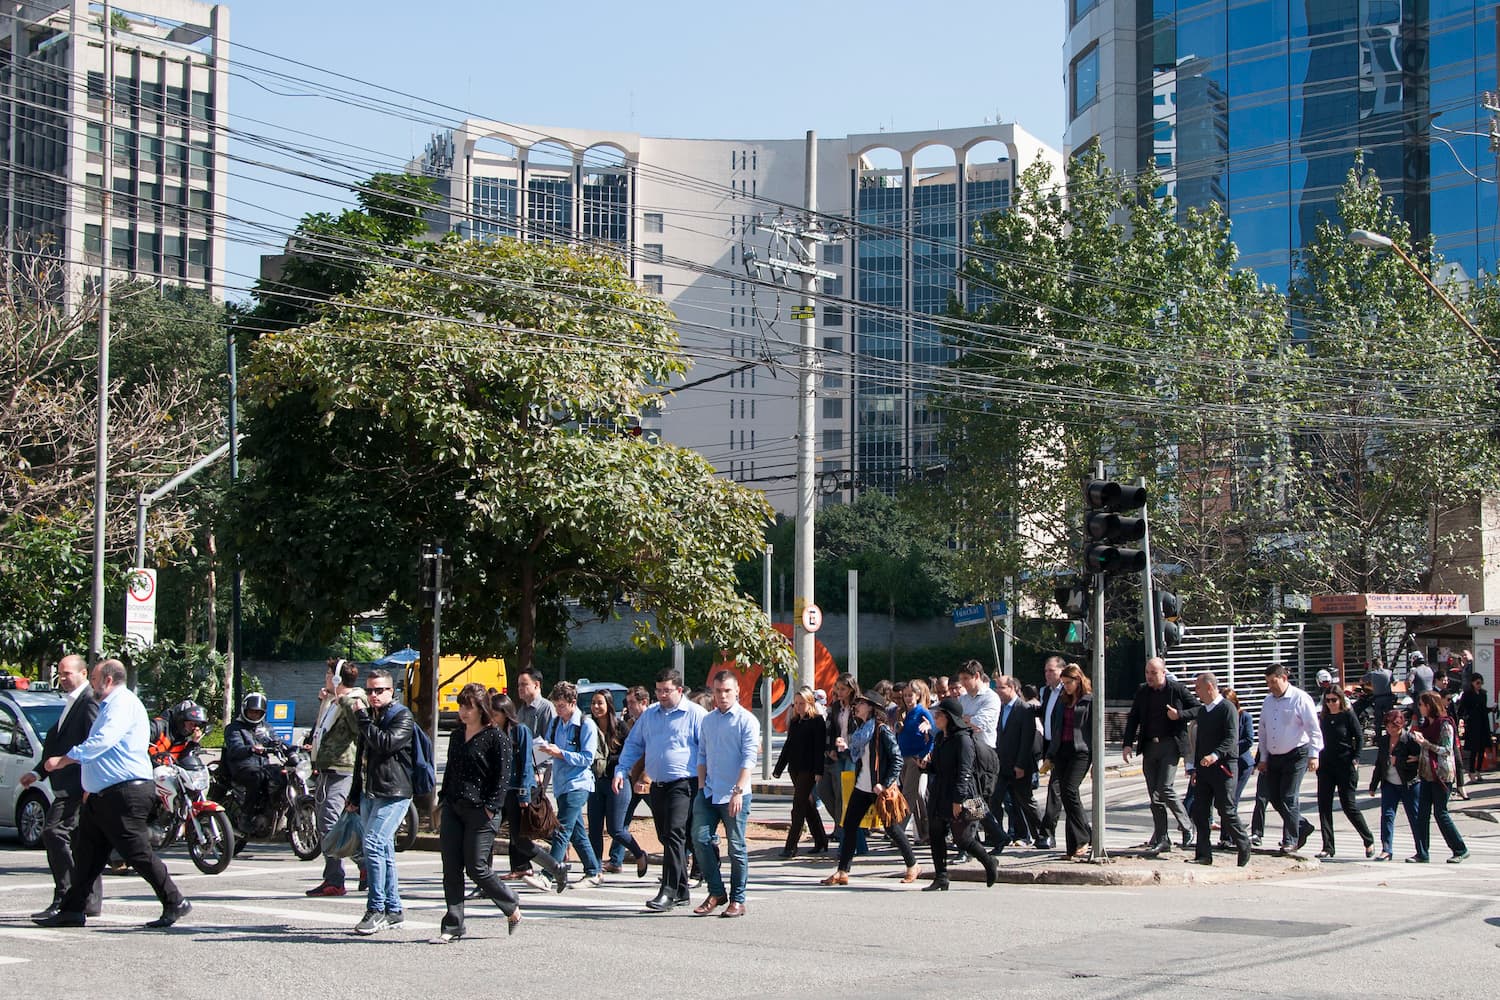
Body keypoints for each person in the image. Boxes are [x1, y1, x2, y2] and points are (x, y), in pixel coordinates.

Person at [34, 659, 191, 929]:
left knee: (137, 853)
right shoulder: (110, 705)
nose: (91, 684)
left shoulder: (122, 704)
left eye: (94, 679)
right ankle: (73, 910)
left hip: (125, 792)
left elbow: (102, 742)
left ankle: (174, 900)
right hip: (104, 794)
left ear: (107, 680)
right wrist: (89, 788)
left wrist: (63, 760)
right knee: (87, 854)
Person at [434, 683, 521, 943]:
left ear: (481, 708)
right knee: (451, 867)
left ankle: (510, 903)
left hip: (481, 811)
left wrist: (490, 808)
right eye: (461, 705)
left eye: (468, 706)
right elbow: (450, 770)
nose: (462, 712)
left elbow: (502, 778)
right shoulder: (456, 736)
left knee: (477, 867)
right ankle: (453, 924)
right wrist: (442, 800)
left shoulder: (497, 738)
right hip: (454, 806)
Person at [615, 668, 707, 911]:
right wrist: (621, 770)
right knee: (666, 836)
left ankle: (667, 891)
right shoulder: (650, 715)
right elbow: (634, 744)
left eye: (667, 690)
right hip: (658, 784)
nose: (662, 695)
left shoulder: (695, 714)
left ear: (679, 689)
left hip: (685, 784)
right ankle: (682, 890)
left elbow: (707, 750)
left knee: (675, 834)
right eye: (658, 690)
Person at [21, 654, 101, 920]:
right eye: (61, 673)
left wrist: (93, 783)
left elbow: (93, 745)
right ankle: (87, 900)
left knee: (54, 832)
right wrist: (38, 771)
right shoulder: (71, 702)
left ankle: (67, 896)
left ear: (84, 673)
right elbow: (57, 745)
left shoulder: (89, 701)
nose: (63, 678)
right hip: (69, 783)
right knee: (81, 842)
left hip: (78, 786)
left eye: (68, 673)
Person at [819, 692, 920, 885]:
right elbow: (861, 758)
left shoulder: (881, 730)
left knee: (891, 828)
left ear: (872, 708)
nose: (856, 706)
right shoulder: (862, 729)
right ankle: (842, 871)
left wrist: (885, 782)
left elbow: (896, 759)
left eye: (861, 703)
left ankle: (912, 865)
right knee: (849, 826)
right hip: (861, 786)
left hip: (877, 788)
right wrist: (846, 749)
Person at [349, 668, 415, 935]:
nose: (373, 695)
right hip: (370, 791)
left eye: (379, 690)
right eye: (370, 691)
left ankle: (375, 908)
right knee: (383, 850)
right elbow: (361, 757)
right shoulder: (373, 717)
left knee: (373, 845)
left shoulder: (402, 716)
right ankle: (393, 910)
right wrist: (354, 794)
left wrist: (363, 720)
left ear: (391, 691)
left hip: (394, 792)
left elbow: (385, 744)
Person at [690, 670, 760, 917]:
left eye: (727, 691)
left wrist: (738, 791)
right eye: (718, 691)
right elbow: (702, 755)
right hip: (709, 791)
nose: (722, 696)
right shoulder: (707, 721)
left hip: (735, 794)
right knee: (699, 839)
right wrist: (701, 786)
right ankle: (716, 892)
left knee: (736, 847)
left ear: (737, 691)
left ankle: (738, 900)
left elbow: (749, 758)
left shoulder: (747, 720)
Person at [490, 695, 569, 893]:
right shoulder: (493, 732)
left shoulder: (520, 731)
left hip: (518, 791)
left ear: (505, 713)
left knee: (521, 842)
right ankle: (486, 884)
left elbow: (526, 763)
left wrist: (524, 795)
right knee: (487, 834)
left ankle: (555, 867)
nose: (492, 717)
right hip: (500, 792)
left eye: (495, 714)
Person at [1120, 656, 1199, 854]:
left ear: (1163, 672)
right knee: (1154, 797)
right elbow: (1134, 718)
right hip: (1149, 746)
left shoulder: (1176, 689)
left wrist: (1179, 715)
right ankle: (1162, 838)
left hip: (1170, 745)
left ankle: (1187, 825)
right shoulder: (1142, 691)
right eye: (1147, 672)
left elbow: (1198, 708)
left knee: (1165, 787)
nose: (1150, 677)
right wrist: (1127, 744)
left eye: (1154, 673)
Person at [923, 697, 999, 890]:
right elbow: (940, 767)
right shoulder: (941, 737)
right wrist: (926, 766)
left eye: (938, 714)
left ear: (948, 717)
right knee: (936, 833)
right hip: (941, 790)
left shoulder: (963, 739)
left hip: (965, 793)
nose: (935, 718)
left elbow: (965, 771)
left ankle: (989, 861)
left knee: (963, 838)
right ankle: (941, 876)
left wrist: (958, 800)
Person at [306, 658, 365, 897]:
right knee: (332, 823)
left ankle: (336, 879)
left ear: (337, 678)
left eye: (328, 674)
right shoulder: (333, 701)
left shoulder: (351, 702)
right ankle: (364, 867)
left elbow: (360, 731)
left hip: (343, 769)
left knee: (329, 824)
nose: (325, 679)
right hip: (328, 768)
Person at [1180, 672, 1251, 867]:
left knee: (1226, 810)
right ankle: (1203, 854)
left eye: (1198, 688)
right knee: (1200, 811)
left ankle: (1243, 844)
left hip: (1223, 767)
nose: (1197, 692)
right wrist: (1195, 768)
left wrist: (1215, 755)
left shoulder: (1227, 708)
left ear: (1210, 687)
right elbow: (1199, 742)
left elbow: (1231, 738)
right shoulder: (1203, 712)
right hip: (1204, 770)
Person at [539, 682, 603, 888]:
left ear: (573, 703)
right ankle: (593, 871)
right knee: (577, 832)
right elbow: (548, 746)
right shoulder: (556, 723)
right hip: (561, 783)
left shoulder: (586, 725)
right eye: (556, 705)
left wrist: (561, 754)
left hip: (579, 783)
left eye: (561, 705)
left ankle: (548, 873)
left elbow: (587, 758)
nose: (558, 710)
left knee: (562, 828)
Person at [1254, 663, 1321, 855]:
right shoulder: (1268, 701)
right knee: (1275, 797)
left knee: (1289, 797)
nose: (1271, 687)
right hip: (1275, 757)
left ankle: (1290, 840)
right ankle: (1302, 825)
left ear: (1284, 678)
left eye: (1273, 682)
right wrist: (1263, 757)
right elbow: (1264, 731)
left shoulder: (1300, 698)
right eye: (1267, 683)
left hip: (1296, 753)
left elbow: (1313, 728)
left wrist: (1314, 754)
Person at [587, 690, 648, 878]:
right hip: (596, 782)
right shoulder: (589, 726)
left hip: (618, 782)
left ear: (609, 705)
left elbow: (634, 751)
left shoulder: (621, 727)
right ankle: (595, 870)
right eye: (593, 703)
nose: (596, 707)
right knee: (594, 828)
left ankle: (639, 854)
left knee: (616, 829)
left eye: (600, 703)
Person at [1409, 691, 1468, 864]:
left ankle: (1460, 848)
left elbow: (1446, 750)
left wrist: (1424, 743)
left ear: (1429, 705)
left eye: (1421, 704)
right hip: (1427, 773)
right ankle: (1422, 852)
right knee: (1422, 814)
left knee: (1440, 813)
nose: (1419, 708)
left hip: (1442, 774)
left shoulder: (1445, 724)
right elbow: (1427, 750)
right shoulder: (1427, 724)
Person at [1315, 686, 1374, 859]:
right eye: (1328, 701)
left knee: (1348, 805)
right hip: (1326, 765)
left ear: (1340, 700)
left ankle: (1368, 839)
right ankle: (1328, 846)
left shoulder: (1348, 715)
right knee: (1324, 806)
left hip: (1345, 763)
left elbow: (1359, 737)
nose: (1331, 704)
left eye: (1334, 700)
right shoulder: (1324, 717)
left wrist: (1356, 758)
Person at [1046, 663, 1094, 860]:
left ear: (1078, 680)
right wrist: (1050, 754)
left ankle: (1085, 836)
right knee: (1065, 796)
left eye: (1069, 682)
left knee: (1069, 790)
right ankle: (1073, 846)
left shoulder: (1089, 701)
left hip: (1081, 751)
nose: (1066, 686)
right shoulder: (1062, 700)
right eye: (1064, 683)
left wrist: (1096, 761)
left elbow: (1093, 730)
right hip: (1062, 751)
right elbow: (1056, 726)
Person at [773, 686, 828, 857]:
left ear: (810, 703)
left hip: (809, 769)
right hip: (795, 768)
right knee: (808, 804)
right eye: (796, 703)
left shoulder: (817, 721)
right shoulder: (795, 722)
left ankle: (791, 846)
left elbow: (819, 748)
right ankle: (821, 840)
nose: (798, 706)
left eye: (802, 703)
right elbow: (788, 746)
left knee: (798, 806)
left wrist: (819, 771)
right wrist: (778, 769)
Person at [994, 674, 1042, 847]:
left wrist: (1020, 764)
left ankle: (1041, 833)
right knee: (999, 800)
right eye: (996, 687)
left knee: (1024, 800)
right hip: (1002, 763)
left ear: (1012, 688)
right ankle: (1009, 835)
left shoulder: (1024, 709)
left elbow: (1026, 739)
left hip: (1019, 764)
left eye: (1001, 687)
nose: (997, 691)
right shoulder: (1001, 707)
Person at [223, 692, 287, 822]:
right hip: (241, 767)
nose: (254, 715)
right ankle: (247, 814)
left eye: (257, 712)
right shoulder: (234, 729)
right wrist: (251, 748)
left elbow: (276, 741)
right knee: (257, 776)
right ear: (244, 710)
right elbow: (235, 748)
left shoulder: (266, 727)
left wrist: (294, 748)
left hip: (262, 766)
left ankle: (273, 807)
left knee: (283, 774)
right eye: (251, 712)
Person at [1368, 709, 1420, 862]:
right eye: (1388, 727)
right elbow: (1379, 764)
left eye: (1394, 727)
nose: (1391, 730)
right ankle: (1386, 849)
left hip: (1409, 783)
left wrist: (1400, 761)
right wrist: (1373, 785)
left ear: (1402, 725)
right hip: (1389, 783)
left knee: (1414, 817)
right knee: (1387, 816)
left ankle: (1421, 850)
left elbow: (1416, 763)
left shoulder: (1409, 740)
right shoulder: (1384, 741)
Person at [818, 674, 859, 847]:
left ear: (851, 689)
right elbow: (830, 730)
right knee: (825, 791)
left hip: (852, 754)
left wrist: (848, 744)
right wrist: (831, 749)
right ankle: (841, 826)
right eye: (837, 689)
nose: (839, 692)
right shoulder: (835, 707)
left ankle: (844, 832)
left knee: (845, 793)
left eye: (842, 689)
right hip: (837, 754)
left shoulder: (858, 707)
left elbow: (860, 731)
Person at [895, 679, 934, 846]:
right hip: (904, 757)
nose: (907, 698)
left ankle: (898, 831)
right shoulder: (905, 713)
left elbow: (932, 735)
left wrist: (926, 754)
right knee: (917, 795)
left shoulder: (922, 712)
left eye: (910, 695)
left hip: (916, 758)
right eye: (905, 696)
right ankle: (925, 832)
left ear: (918, 696)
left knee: (909, 795)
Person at [1036, 655, 1066, 850]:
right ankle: (1085, 832)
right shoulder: (1045, 691)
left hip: (1063, 748)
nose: (1047, 674)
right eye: (1046, 670)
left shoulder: (1067, 691)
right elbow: (1043, 714)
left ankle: (1047, 832)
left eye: (1051, 671)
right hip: (1048, 745)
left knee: (1056, 790)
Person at [1456, 673, 1492, 783]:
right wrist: (1465, 718)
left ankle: (1478, 770)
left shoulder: (1483, 694)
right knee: (1473, 749)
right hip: (1472, 724)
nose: (1479, 685)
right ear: (1472, 683)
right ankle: (1471, 771)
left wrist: (1490, 709)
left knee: (1482, 749)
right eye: (1477, 683)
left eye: (1481, 683)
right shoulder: (1467, 694)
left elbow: (1483, 708)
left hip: (1483, 723)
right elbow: (1461, 709)